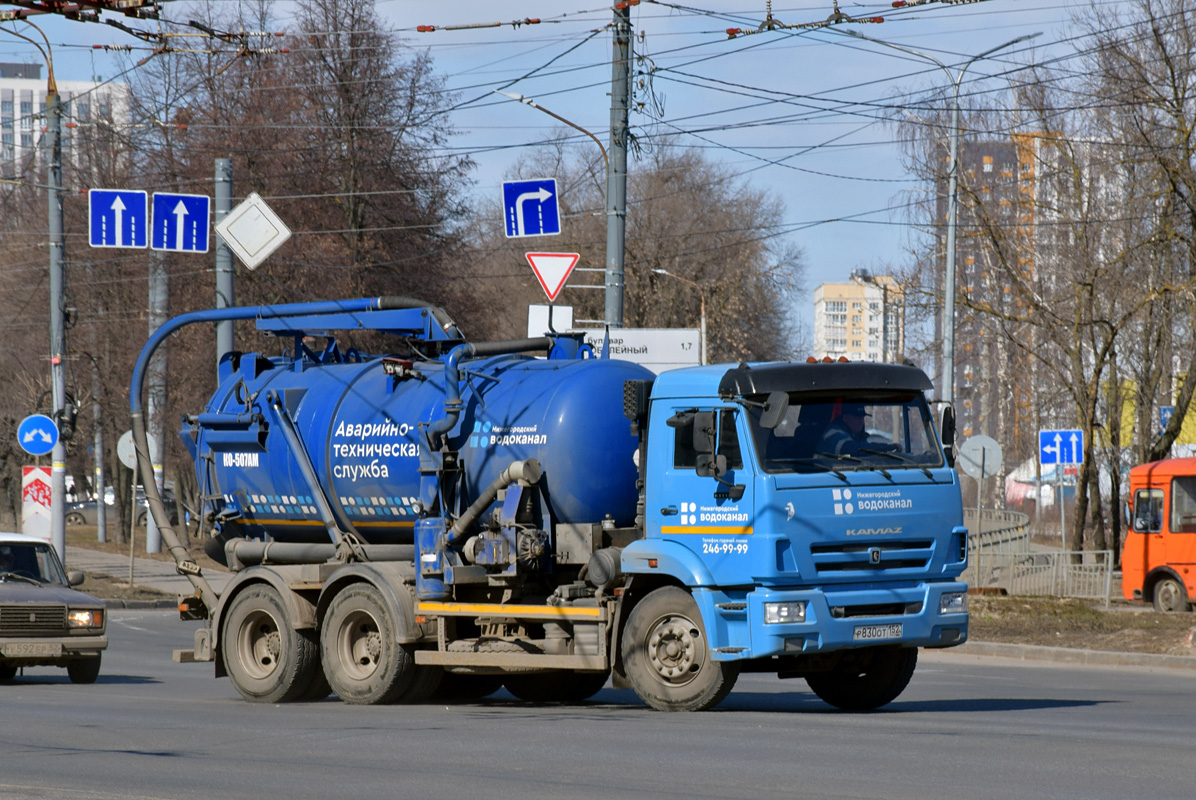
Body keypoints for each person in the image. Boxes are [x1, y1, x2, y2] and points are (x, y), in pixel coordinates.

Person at [819, 402, 895, 457]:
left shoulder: (855, 436)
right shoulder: (832, 434)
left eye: (862, 417)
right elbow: (855, 449)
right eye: (857, 417)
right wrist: (891, 447)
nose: (861, 421)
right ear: (846, 418)